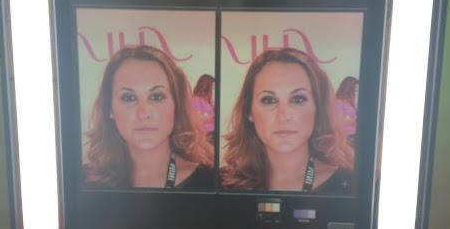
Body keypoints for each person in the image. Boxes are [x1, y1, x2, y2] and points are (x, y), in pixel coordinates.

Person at [221, 48, 353, 194]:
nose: (283, 116)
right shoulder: (222, 184)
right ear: (249, 111)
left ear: (318, 108)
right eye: (269, 100)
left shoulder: (351, 186)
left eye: (298, 99)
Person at [84, 45, 214, 190]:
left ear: (176, 105)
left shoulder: (210, 183)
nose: (143, 113)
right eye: (128, 98)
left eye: (156, 97)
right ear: (109, 108)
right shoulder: (84, 181)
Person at [335, 76, 359, 146]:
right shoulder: (338, 103)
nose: (356, 92)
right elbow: (340, 122)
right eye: (356, 90)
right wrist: (357, 120)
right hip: (348, 137)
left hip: (355, 135)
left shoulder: (350, 104)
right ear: (349, 89)